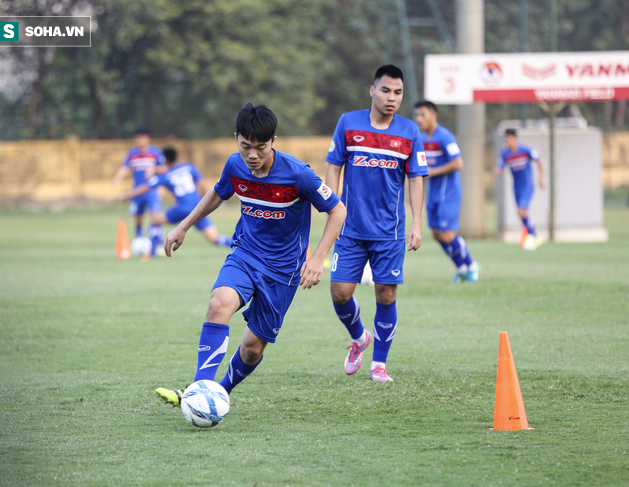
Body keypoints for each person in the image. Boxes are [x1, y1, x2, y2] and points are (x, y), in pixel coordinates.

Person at [155, 102, 346, 405]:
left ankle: (221, 393)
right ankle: (199, 391)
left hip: (283, 271)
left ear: (274, 142)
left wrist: (318, 257)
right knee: (219, 303)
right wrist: (183, 226)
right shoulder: (235, 165)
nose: (252, 155)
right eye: (245, 146)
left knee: (253, 347)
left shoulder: (299, 175)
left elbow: (338, 210)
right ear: (236, 139)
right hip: (245, 254)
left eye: (260, 148)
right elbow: (218, 193)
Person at [325, 65, 427, 383]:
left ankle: (379, 365)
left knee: (386, 296)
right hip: (350, 228)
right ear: (372, 90)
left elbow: (416, 179)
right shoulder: (348, 123)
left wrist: (417, 224)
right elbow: (333, 167)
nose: (391, 98)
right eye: (385, 90)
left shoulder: (409, 131)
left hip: (390, 232)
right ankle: (359, 339)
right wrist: (333, 209)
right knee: (340, 293)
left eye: (398, 93)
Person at [414, 100, 480, 283]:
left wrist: (433, 171)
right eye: (417, 115)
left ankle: (472, 265)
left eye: (423, 115)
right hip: (432, 194)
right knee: (437, 235)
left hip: (448, 194)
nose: (419, 119)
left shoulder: (445, 137)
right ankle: (461, 268)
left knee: (447, 235)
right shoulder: (421, 138)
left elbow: (458, 163)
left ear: (433, 115)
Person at [115, 146, 232, 248]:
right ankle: (235, 245)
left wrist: (125, 196)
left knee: (156, 220)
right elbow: (202, 184)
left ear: (164, 160)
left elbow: (145, 188)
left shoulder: (166, 176)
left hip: (182, 209)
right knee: (215, 238)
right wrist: (203, 201)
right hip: (198, 208)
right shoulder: (189, 167)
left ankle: (152, 251)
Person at [111, 127, 166, 255]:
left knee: (155, 217)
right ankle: (139, 240)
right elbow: (125, 168)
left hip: (152, 191)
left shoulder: (156, 152)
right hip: (136, 192)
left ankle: (156, 243)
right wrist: (117, 179)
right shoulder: (132, 153)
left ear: (148, 139)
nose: (139, 141)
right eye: (137, 138)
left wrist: (154, 169)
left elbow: (164, 168)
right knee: (138, 217)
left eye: (141, 138)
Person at [496, 128, 545, 250]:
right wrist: (498, 170)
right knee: (521, 212)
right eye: (506, 139)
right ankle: (532, 234)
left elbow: (538, 159)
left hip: (527, 186)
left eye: (509, 138)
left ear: (515, 139)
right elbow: (500, 166)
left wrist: (541, 177)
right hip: (516, 188)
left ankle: (533, 236)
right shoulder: (505, 154)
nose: (508, 141)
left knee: (521, 210)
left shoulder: (525, 150)